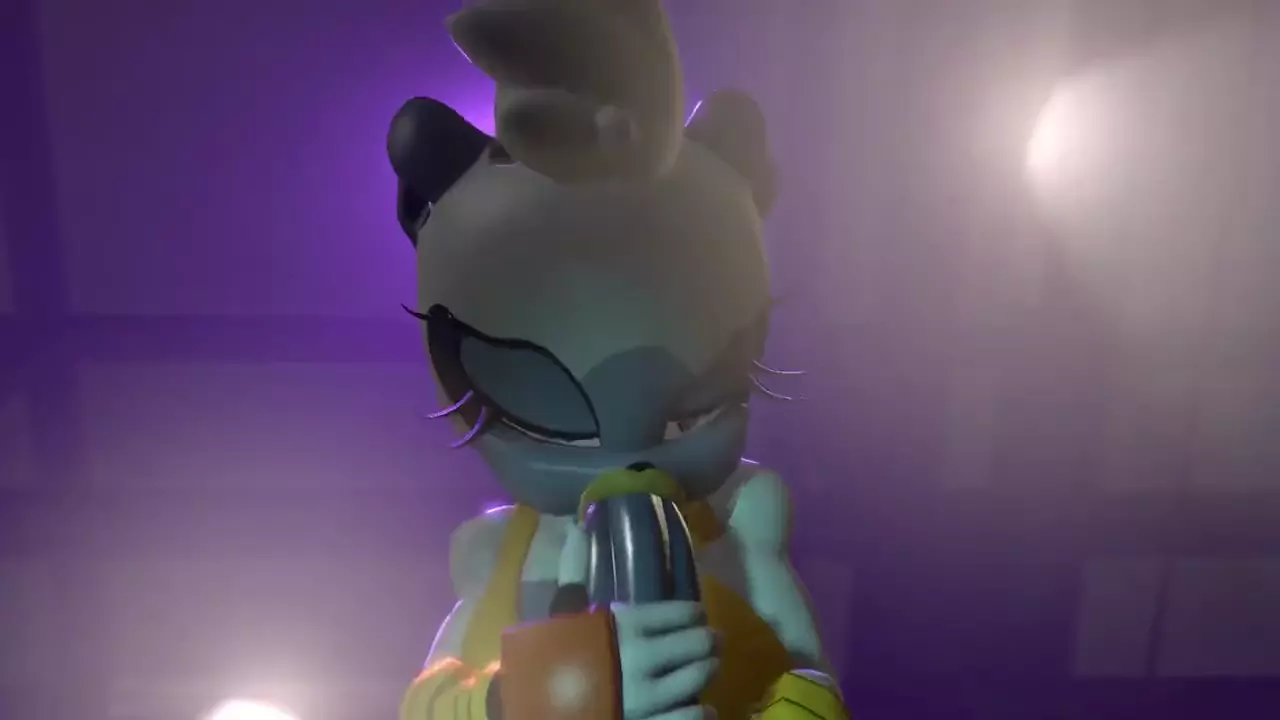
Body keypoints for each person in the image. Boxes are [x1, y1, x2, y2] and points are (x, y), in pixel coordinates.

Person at [387, 2, 849, 718]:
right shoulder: (503, 554)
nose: (626, 461)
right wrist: (553, 690)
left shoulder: (739, 538)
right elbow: (428, 705)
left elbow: (813, 689)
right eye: (550, 423)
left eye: (688, 417)